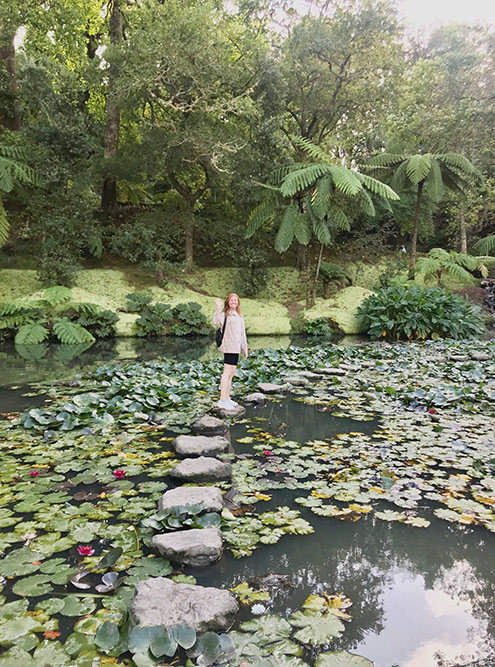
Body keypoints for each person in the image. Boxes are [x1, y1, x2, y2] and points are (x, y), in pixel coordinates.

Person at [213, 293, 248, 409]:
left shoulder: (239, 316)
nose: (234, 302)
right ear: (228, 302)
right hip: (229, 346)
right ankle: (222, 400)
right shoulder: (224, 315)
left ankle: (227, 398)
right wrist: (218, 307)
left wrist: (244, 349)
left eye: (236, 300)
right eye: (232, 300)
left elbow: (242, 334)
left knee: (232, 373)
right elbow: (215, 321)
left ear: (238, 302)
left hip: (236, 348)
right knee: (227, 372)